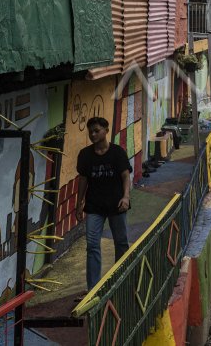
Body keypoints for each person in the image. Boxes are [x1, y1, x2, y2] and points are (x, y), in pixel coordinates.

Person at [76, 117, 132, 291]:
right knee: (92, 245)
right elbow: (83, 180)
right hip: (94, 206)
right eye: (91, 131)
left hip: (116, 205)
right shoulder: (85, 155)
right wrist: (79, 204)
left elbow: (125, 176)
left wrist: (126, 197)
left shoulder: (117, 152)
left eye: (97, 130)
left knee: (121, 242)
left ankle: (121, 279)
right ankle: (93, 288)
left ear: (106, 131)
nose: (93, 134)